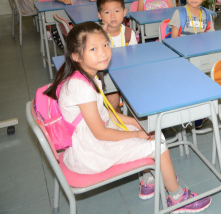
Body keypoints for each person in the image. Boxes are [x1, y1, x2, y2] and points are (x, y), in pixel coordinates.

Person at [44, 22, 211, 210]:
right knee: (157, 143)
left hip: (89, 141)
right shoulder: (81, 87)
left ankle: (148, 180)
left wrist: (136, 124)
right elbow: (101, 133)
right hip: (91, 153)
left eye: (105, 45)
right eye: (93, 49)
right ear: (76, 56)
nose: (103, 53)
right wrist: (137, 134)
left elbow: (106, 114)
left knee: (148, 131)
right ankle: (177, 198)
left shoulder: (84, 76)